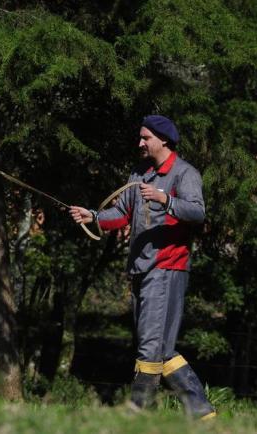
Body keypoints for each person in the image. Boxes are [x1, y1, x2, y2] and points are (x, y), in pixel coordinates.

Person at [69, 115, 216, 420]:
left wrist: (165, 199)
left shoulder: (184, 173)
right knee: (160, 349)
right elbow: (121, 213)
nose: (140, 143)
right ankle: (202, 413)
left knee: (150, 348)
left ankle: (137, 415)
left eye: (145, 138)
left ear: (163, 140)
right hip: (140, 271)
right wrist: (93, 217)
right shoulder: (139, 174)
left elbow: (198, 212)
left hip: (167, 270)